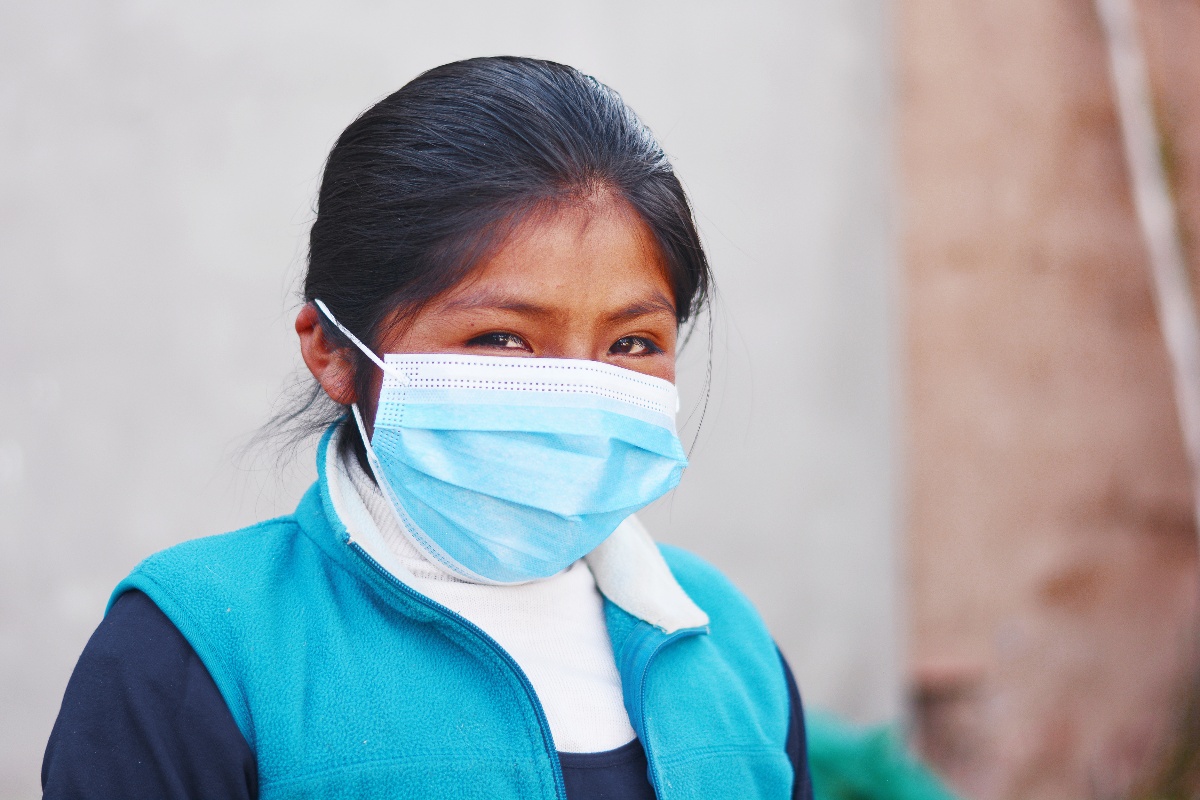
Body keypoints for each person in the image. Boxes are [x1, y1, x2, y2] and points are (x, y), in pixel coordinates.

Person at [41, 56, 813, 800]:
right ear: (335, 351)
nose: (581, 389)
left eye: (632, 343)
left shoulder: (725, 643)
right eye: (501, 339)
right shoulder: (195, 652)